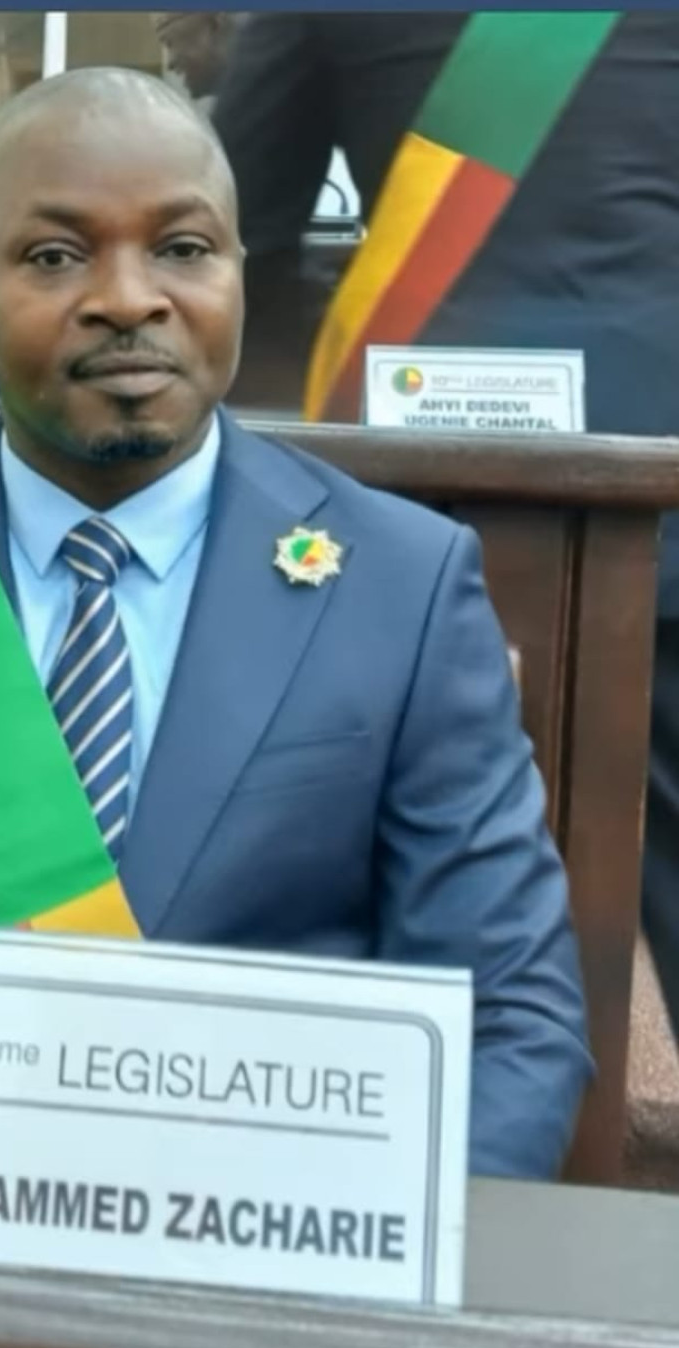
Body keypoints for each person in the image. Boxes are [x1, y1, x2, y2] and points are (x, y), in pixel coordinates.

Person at [0, 68, 591, 1179]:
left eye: (182, 249)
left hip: (283, 1262)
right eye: (53, 255)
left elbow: (510, 1027)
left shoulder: (403, 585)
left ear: (238, 271)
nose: (129, 297)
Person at [210, 12, 679, 1039]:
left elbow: (242, 227)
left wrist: (304, 449)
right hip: (662, 456)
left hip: (412, 491)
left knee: (384, 857)